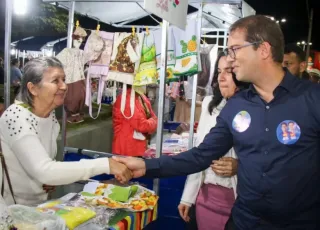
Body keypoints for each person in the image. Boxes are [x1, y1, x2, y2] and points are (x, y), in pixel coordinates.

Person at [113, 15, 320, 230]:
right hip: (244, 222)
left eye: (235, 49)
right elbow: (201, 155)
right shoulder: (236, 106)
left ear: (264, 50)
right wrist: (147, 165)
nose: (230, 59)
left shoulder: (312, 99)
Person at [0, 57, 132, 206]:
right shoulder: (16, 117)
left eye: (64, 79)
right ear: (33, 88)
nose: (64, 86)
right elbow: (44, 170)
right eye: (56, 81)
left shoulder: (50, 118)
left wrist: (52, 178)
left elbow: (45, 166)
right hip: (11, 211)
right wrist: (106, 164)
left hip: (38, 208)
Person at [178, 52, 249, 230]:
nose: (221, 77)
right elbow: (199, 152)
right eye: (218, 71)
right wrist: (188, 197)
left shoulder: (254, 108)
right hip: (206, 199)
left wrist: (240, 166)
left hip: (238, 201)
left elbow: (266, 158)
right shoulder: (210, 105)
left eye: (229, 71)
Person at [112, 85, 158, 157]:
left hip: (138, 146)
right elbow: (142, 125)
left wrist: (152, 121)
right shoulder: (125, 99)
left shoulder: (142, 97)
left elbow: (153, 118)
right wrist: (153, 122)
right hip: (127, 148)